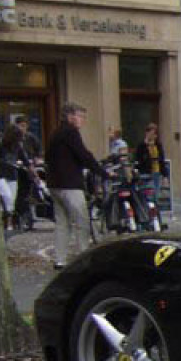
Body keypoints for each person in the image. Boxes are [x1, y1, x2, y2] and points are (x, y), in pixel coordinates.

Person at [46, 102, 102, 269]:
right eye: (80, 116)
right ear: (70, 116)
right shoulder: (71, 132)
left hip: (55, 184)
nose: (82, 120)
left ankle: (60, 259)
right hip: (70, 184)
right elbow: (83, 154)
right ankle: (84, 258)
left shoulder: (55, 133)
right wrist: (101, 171)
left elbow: (48, 156)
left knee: (62, 223)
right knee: (81, 221)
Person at [0, 125, 26, 232]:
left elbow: (24, 158)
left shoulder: (17, 146)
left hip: (12, 175)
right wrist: (10, 163)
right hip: (1, 175)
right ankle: (2, 219)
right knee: (6, 196)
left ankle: (8, 222)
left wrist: (27, 165)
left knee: (11, 200)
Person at [134, 123, 167, 200]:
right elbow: (139, 159)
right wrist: (146, 146)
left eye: (154, 134)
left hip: (156, 172)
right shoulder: (141, 145)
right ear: (147, 133)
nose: (152, 136)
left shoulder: (158, 145)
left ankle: (155, 208)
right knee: (147, 194)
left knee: (155, 194)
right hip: (146, 172)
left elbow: (161, 160)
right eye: (151, 133)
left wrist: (165, 175)